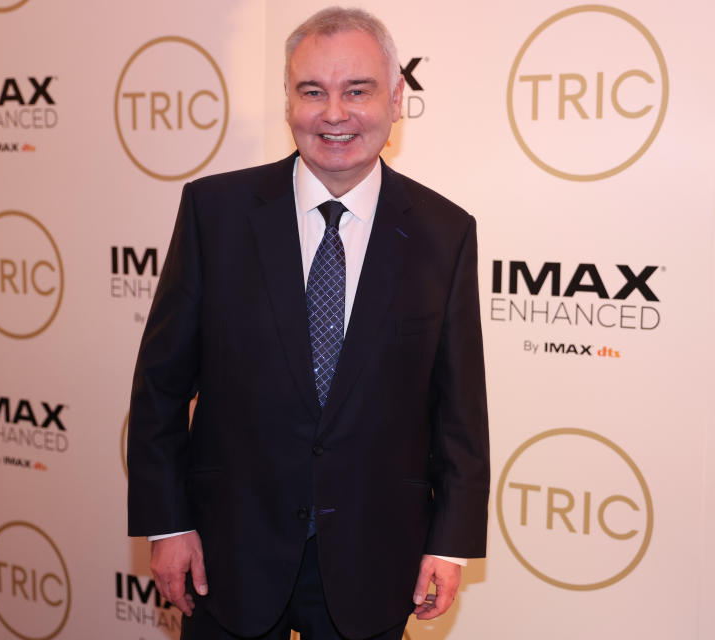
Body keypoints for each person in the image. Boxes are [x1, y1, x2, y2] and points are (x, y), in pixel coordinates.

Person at [126, 7, 490, 640]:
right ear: (288, 99)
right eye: (312, 91)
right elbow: (159, 385)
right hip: (227, 552)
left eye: (358, 90)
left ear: (397, 98)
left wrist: (450, 544)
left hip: (376, 560)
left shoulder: (445, 232)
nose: (334, 114)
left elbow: (459, 407)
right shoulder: (216, 213)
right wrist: (168, 523)